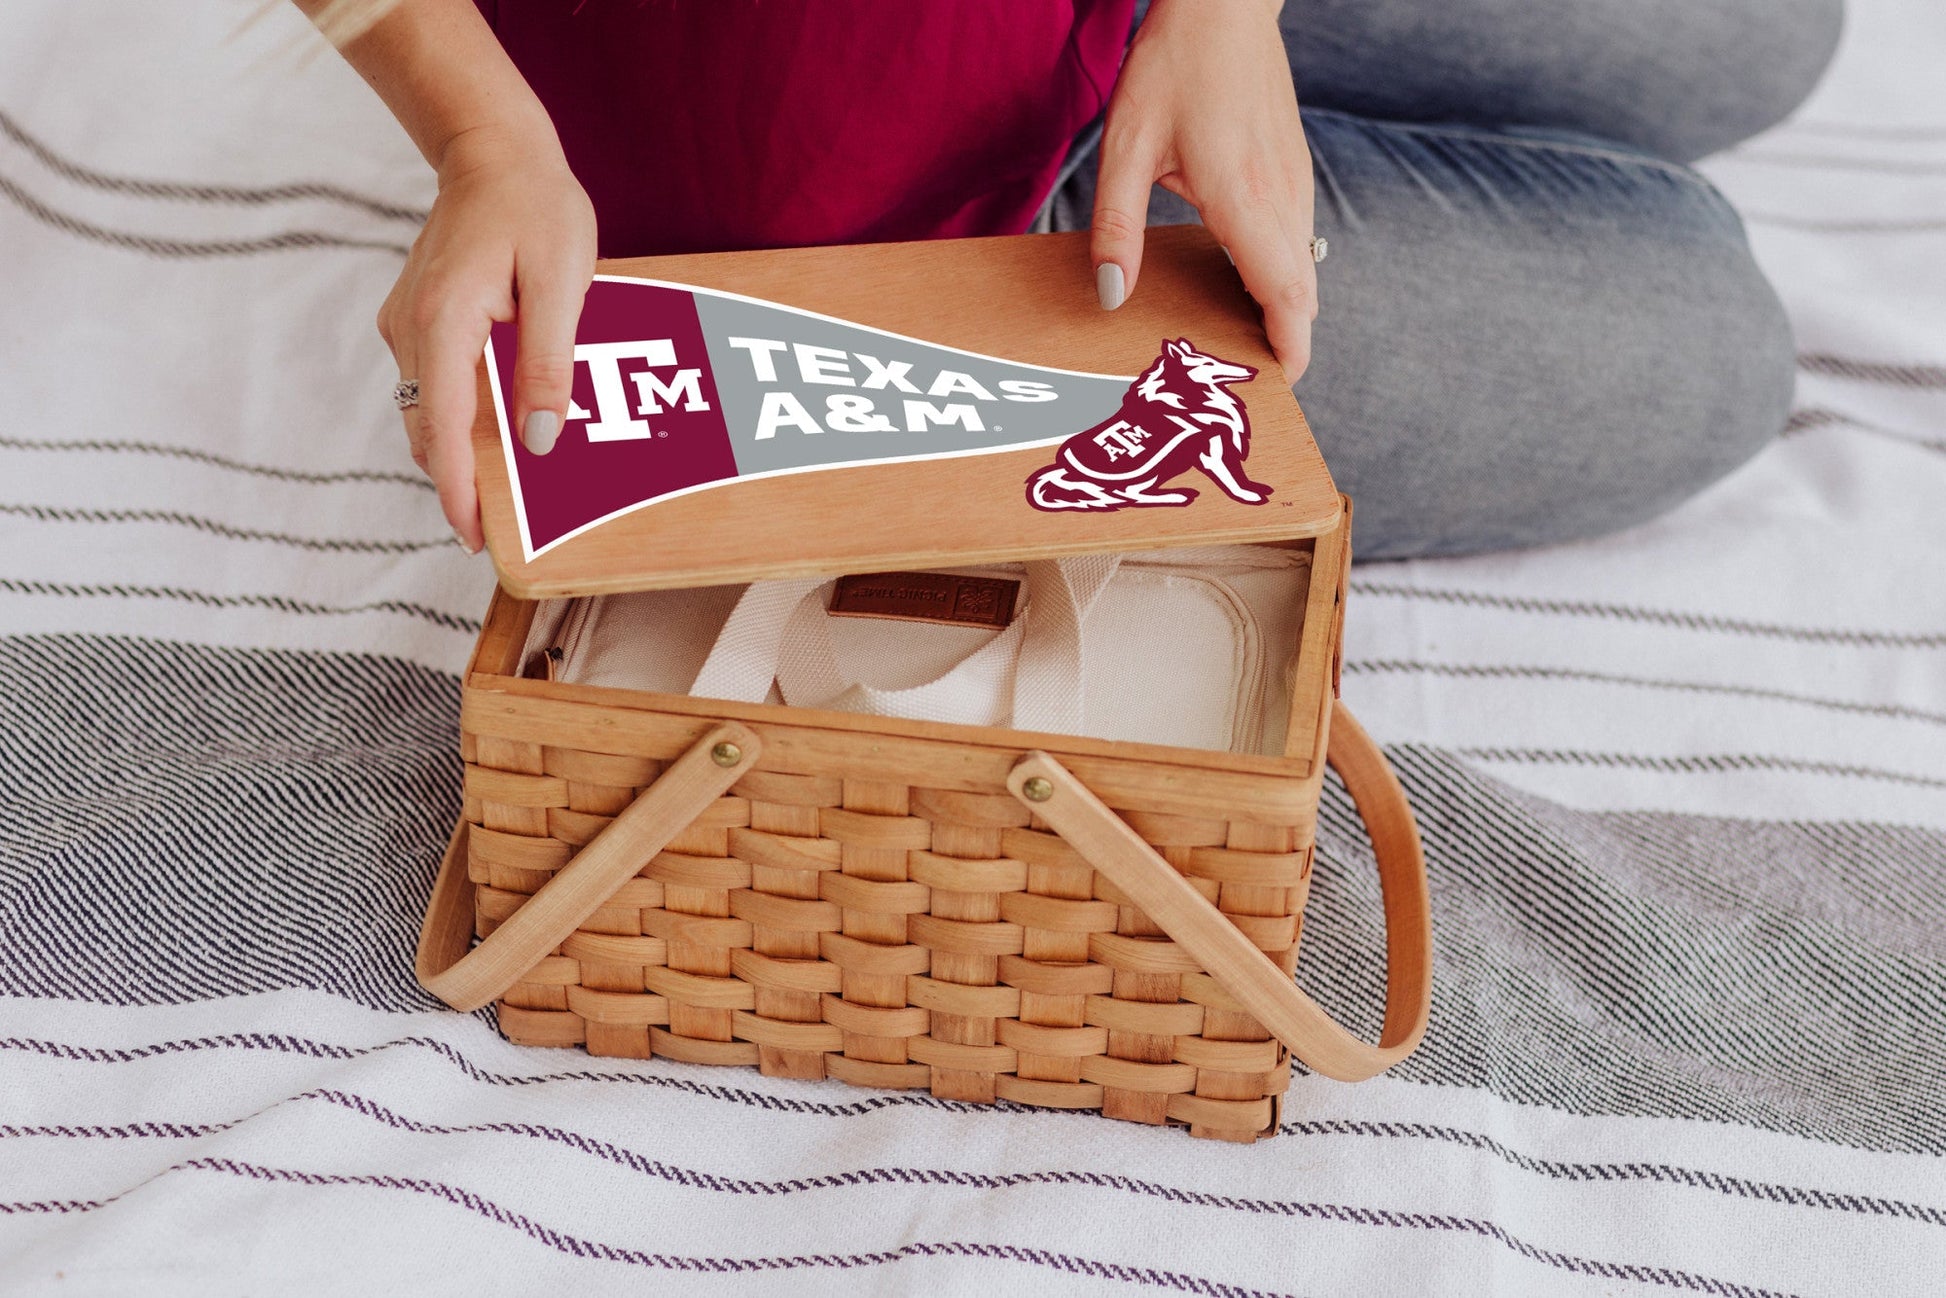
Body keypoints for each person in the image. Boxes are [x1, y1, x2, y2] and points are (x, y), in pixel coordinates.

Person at [301, 0, 1841, 560]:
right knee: (1709, 343)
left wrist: (1224, 17)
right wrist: (484, 135)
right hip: (853, 200)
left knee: (1759, 28)